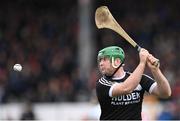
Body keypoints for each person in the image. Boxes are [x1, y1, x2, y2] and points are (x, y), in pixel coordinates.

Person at [96, 46, 171, 120]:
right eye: (100, 60)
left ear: (117, 61)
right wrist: (142, 63)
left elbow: (165, 93)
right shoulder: (102, 83)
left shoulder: (140, 79)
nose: (101, 63)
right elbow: (126, 89)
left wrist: (155, 70)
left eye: (104, 59)